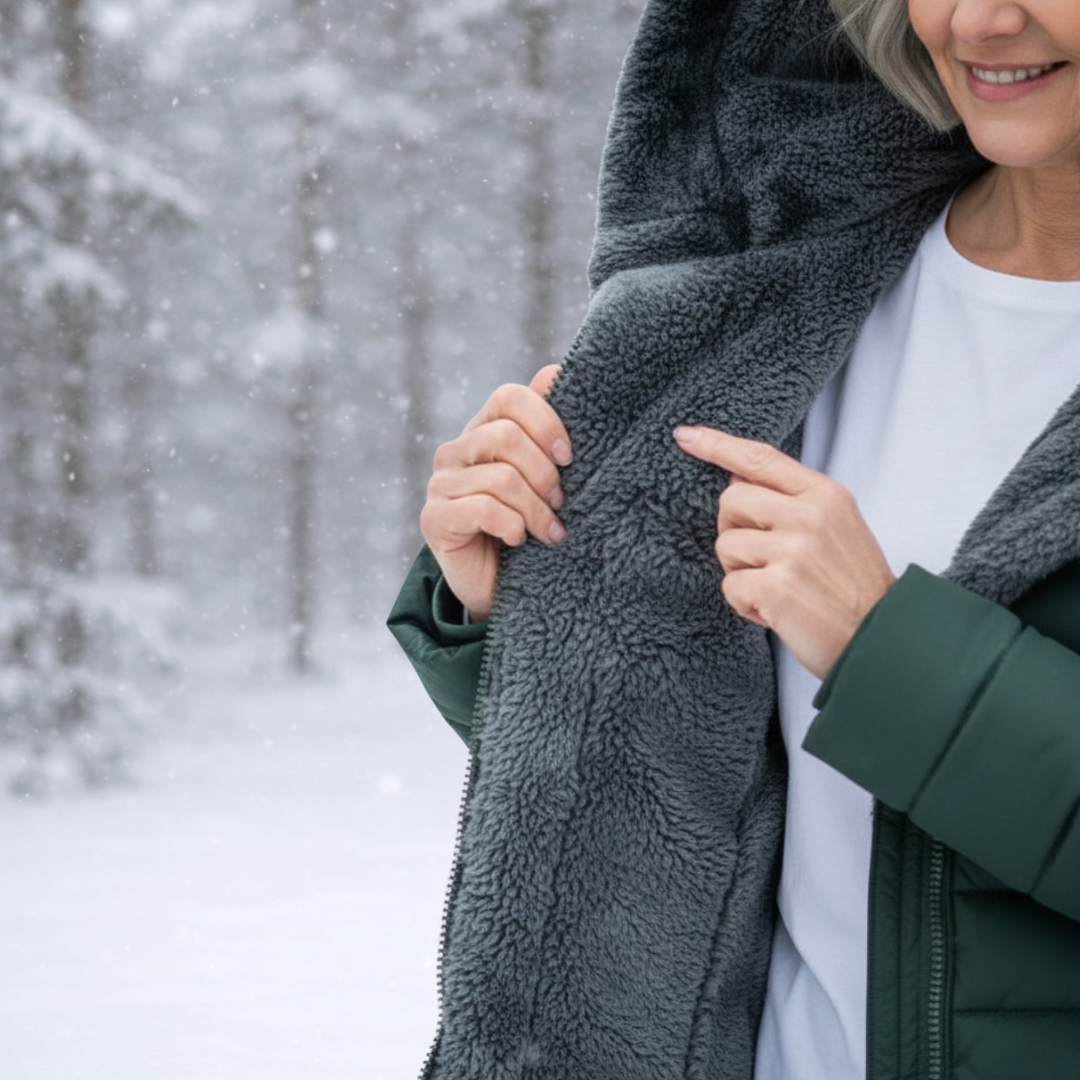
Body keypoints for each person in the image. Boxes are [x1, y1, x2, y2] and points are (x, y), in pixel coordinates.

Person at [389, 0, 1080, 1076]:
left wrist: (885, 650)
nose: (983, 19)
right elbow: (689, 792)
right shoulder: (775, 289)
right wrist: (523, 612)